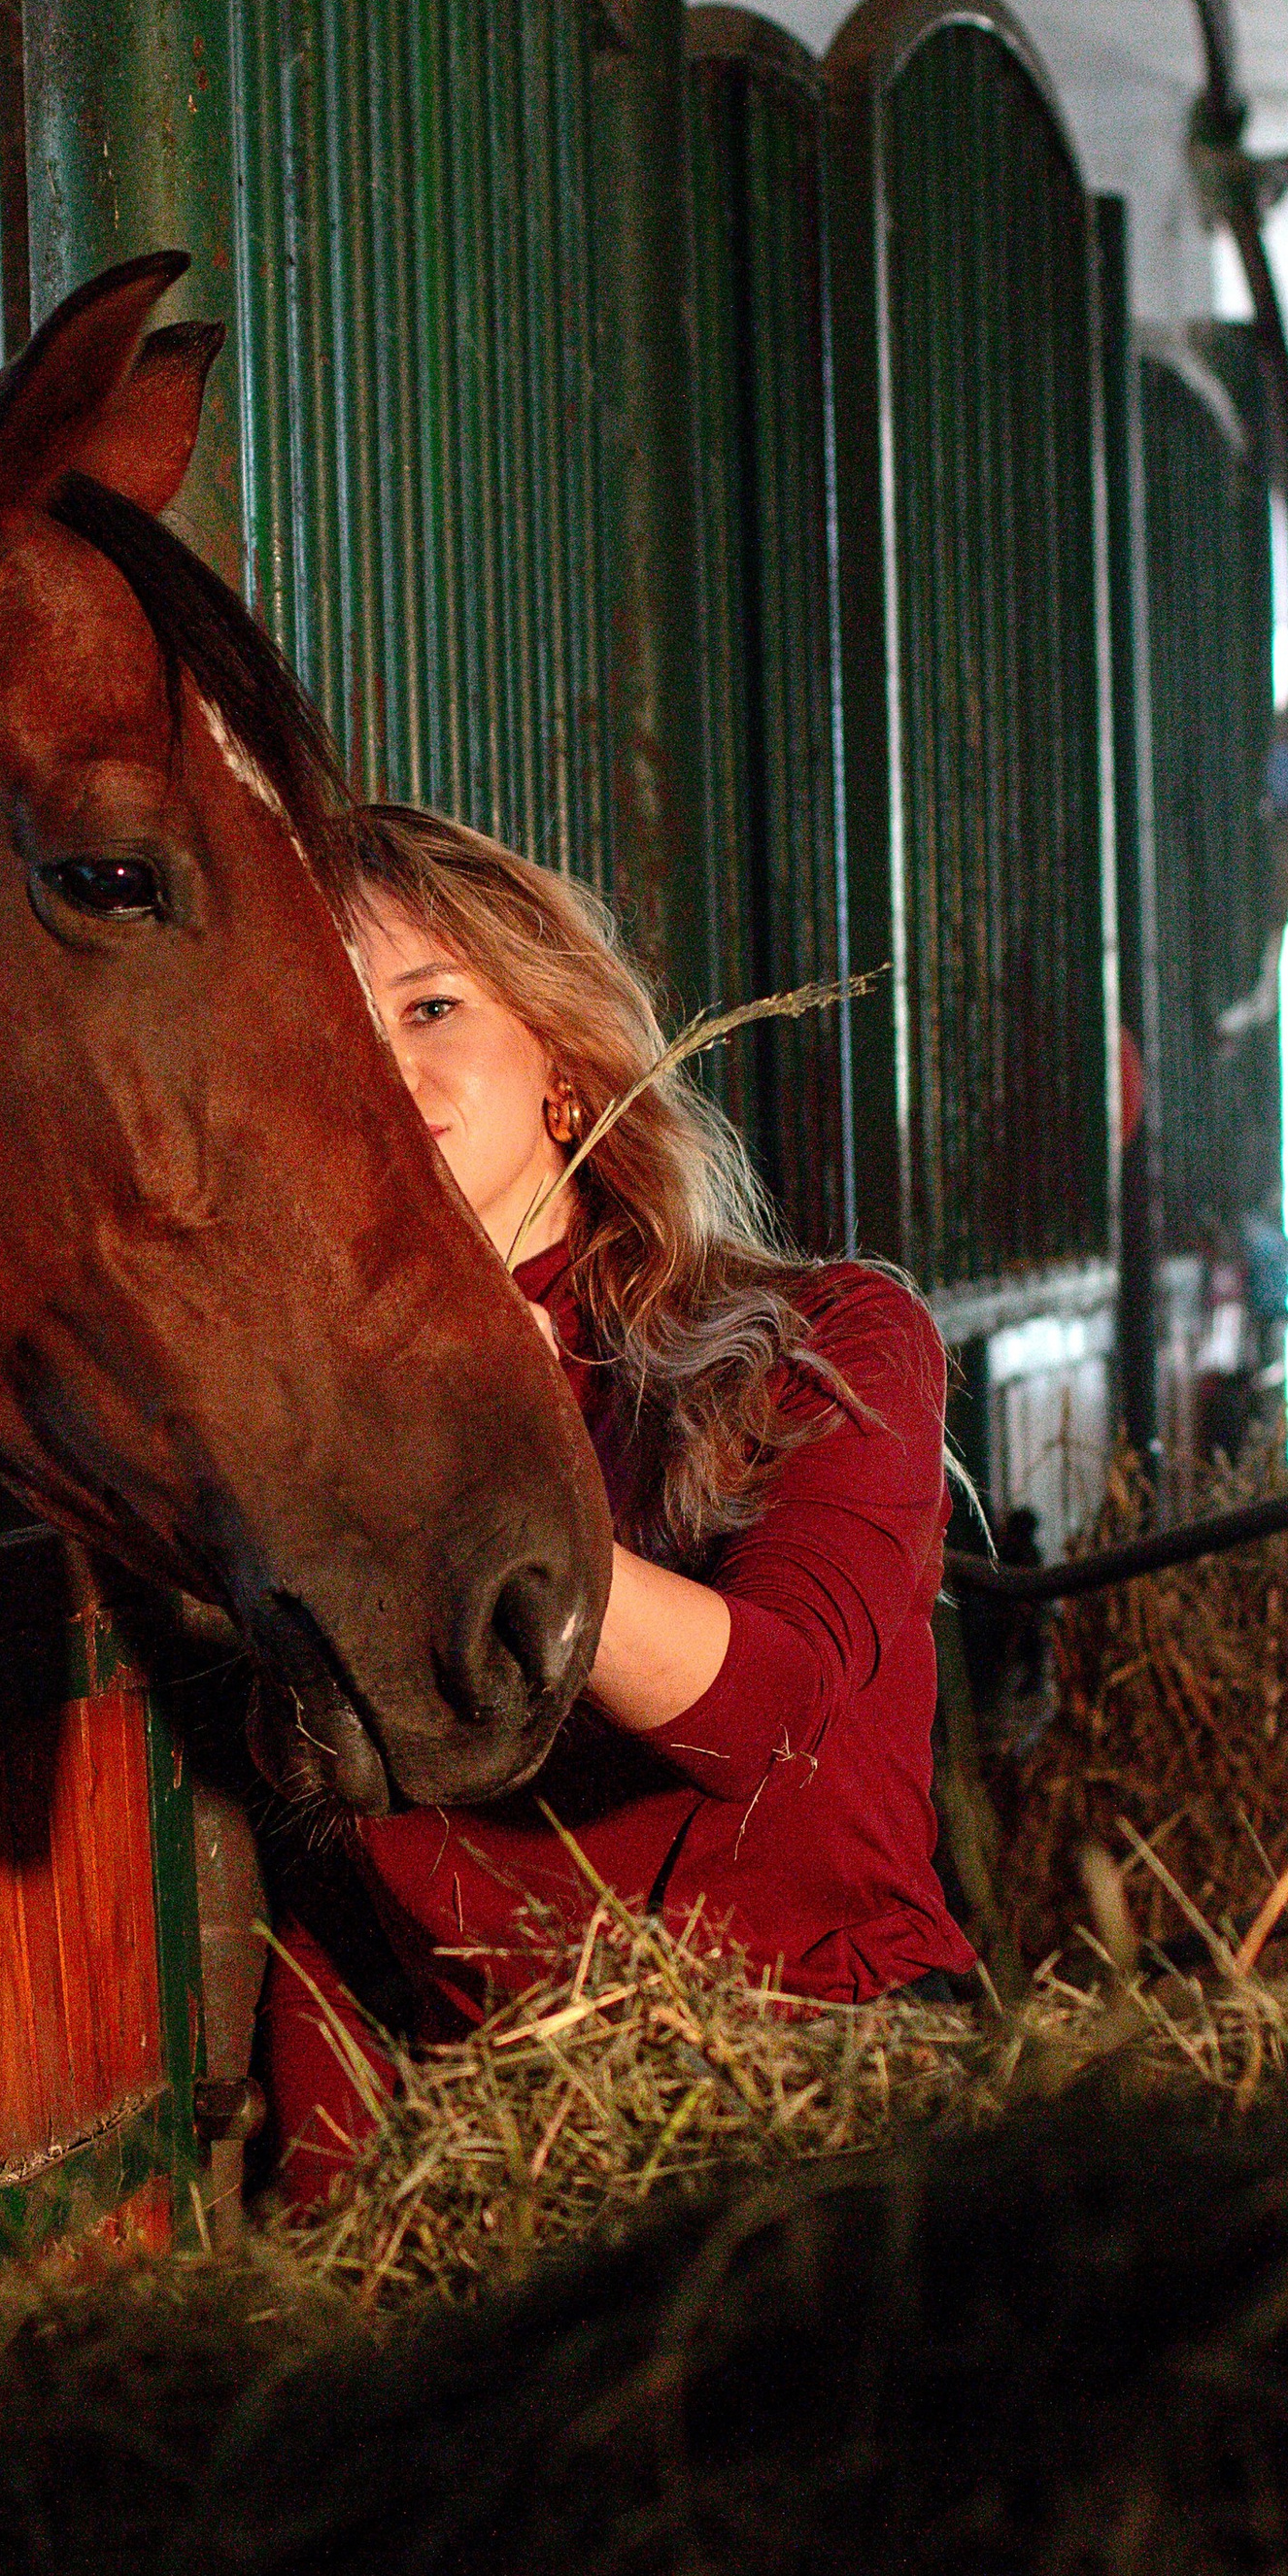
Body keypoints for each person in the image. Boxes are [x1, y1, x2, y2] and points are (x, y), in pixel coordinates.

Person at [261, 802, 976, 2203]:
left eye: (429, 1004)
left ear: (567, 1076)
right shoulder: (283, 1441)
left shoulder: (828, 1339)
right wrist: (325, 2242)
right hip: (508, 2153)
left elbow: (768, 1710)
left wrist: (508, 1463)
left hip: (837, 2093)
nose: (377, 1067)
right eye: (324, 1028)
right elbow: (329, 1903)